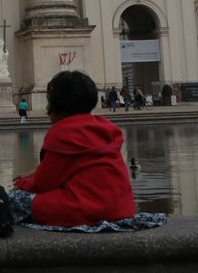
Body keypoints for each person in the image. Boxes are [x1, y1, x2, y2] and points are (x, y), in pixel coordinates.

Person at [11, 70, 135, 226]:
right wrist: (36, 172)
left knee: (13, 200)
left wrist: (22, 183)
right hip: (121, 208)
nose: (46, 109)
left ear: (58, 105)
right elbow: (79, 166)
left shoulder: (62, 132)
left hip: (84, 209)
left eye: (49, 102)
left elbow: (42, 184)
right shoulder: (104, 127)